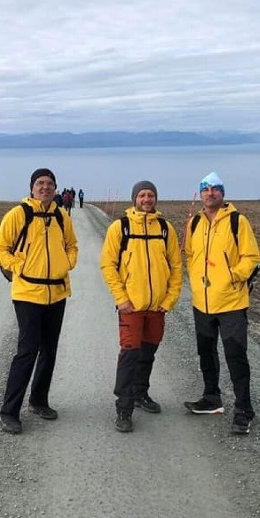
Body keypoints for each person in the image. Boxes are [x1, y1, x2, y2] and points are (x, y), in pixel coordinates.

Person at [0, 168, 79, 434]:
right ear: (31, 188)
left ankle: (39, 401)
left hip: (57, 293)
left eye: (50, 184)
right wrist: (19, 265)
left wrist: (67, 263)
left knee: (49, 350)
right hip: (28, 293)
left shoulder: (61, 216)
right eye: (40, 183)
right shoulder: (19, 215)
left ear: (55, 189)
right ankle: (9, 412)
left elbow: (72, 245)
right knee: (27, 351)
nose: (45, 187)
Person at [100, 180, 182, 433]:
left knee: (148, 353)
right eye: (142, 195)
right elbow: (108, 266)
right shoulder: (120, 228)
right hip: (131, 308)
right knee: (129, 356)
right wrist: (121, 298)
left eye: (151, 195)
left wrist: (168, 301)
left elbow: (176, 268)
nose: (147, 199)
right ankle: (124, 408)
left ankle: (140, 393)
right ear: (134, 198)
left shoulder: (166, 229)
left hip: (157, 308)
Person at [183, 171, 260, 435]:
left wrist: (232, 276)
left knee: (235, 356)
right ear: (201, 193)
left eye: (215, 189)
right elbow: (191, 256)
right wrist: (196, 282)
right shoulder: (194, 223)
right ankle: (211, 398)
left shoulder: (238, 222)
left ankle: (244, 410)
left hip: (231, 302)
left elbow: (251, 257)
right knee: (206, 353)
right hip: (202, 303)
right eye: (205, 189)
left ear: (222, 193)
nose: (210, 193)